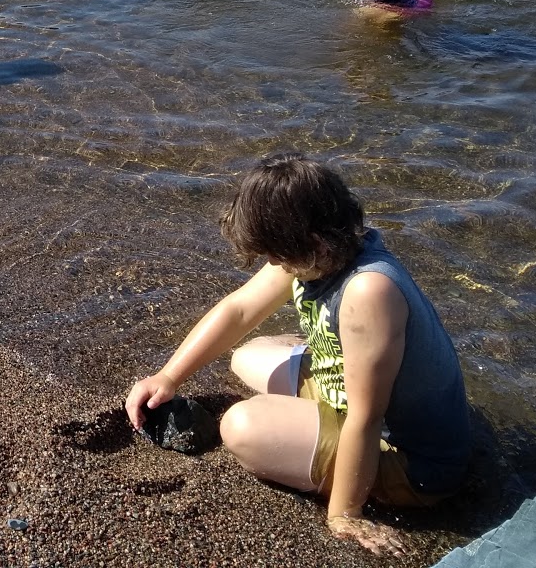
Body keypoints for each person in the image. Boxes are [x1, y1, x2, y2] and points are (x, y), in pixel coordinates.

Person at [125, 154, 471, 557]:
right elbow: (240, 311)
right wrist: (168, 377)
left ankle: (346, 478)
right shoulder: (325, 246)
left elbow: (367, 417)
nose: (272, 265)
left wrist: (346, 513)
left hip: (411, 460)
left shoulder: (368, 291)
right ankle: (312, 416)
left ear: (313, 243)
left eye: (276, 255)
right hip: (344, 389)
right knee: (248, 355)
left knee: (241, 426)